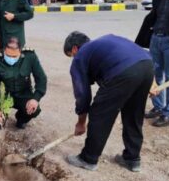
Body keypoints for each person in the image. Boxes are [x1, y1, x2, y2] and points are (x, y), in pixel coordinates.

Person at [64, 32, 154, 172]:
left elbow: (82, 95)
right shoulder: (106, 41)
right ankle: (132, 159)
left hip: (122, 72)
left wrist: (81, 122)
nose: (73, 58)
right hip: (147, 66)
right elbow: (142, 55)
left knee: (100, 114)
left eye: (71, 55)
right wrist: (152, 82)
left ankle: (88, 159)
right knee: (133, 114)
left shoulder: (80, 56)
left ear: (75, 49)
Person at [0, 37, 47, 129]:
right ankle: (1, 118)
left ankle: (21, 119)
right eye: (8, 55)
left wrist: (35, 98)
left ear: (20, 51)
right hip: (4, 96)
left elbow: (41, 79)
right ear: (3, 51)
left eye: (14, 56)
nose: (11, 58)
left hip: (23, 94)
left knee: (35, 109)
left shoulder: (30, 56)